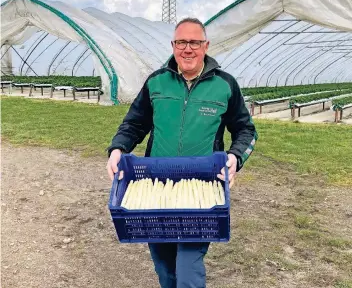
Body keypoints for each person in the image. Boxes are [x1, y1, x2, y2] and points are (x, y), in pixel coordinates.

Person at [107, 17, 258, 288]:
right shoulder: (156, 81)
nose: (187, 49)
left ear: (206, 45)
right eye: (181, 42)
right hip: (156, 189)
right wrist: (118, 148)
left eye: (195, 42)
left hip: (201, 191)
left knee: (188, 269)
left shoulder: (225, 84)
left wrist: (235, 157)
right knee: (164, 266)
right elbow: (135, 122)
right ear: (173, 45)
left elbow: (246, 131)